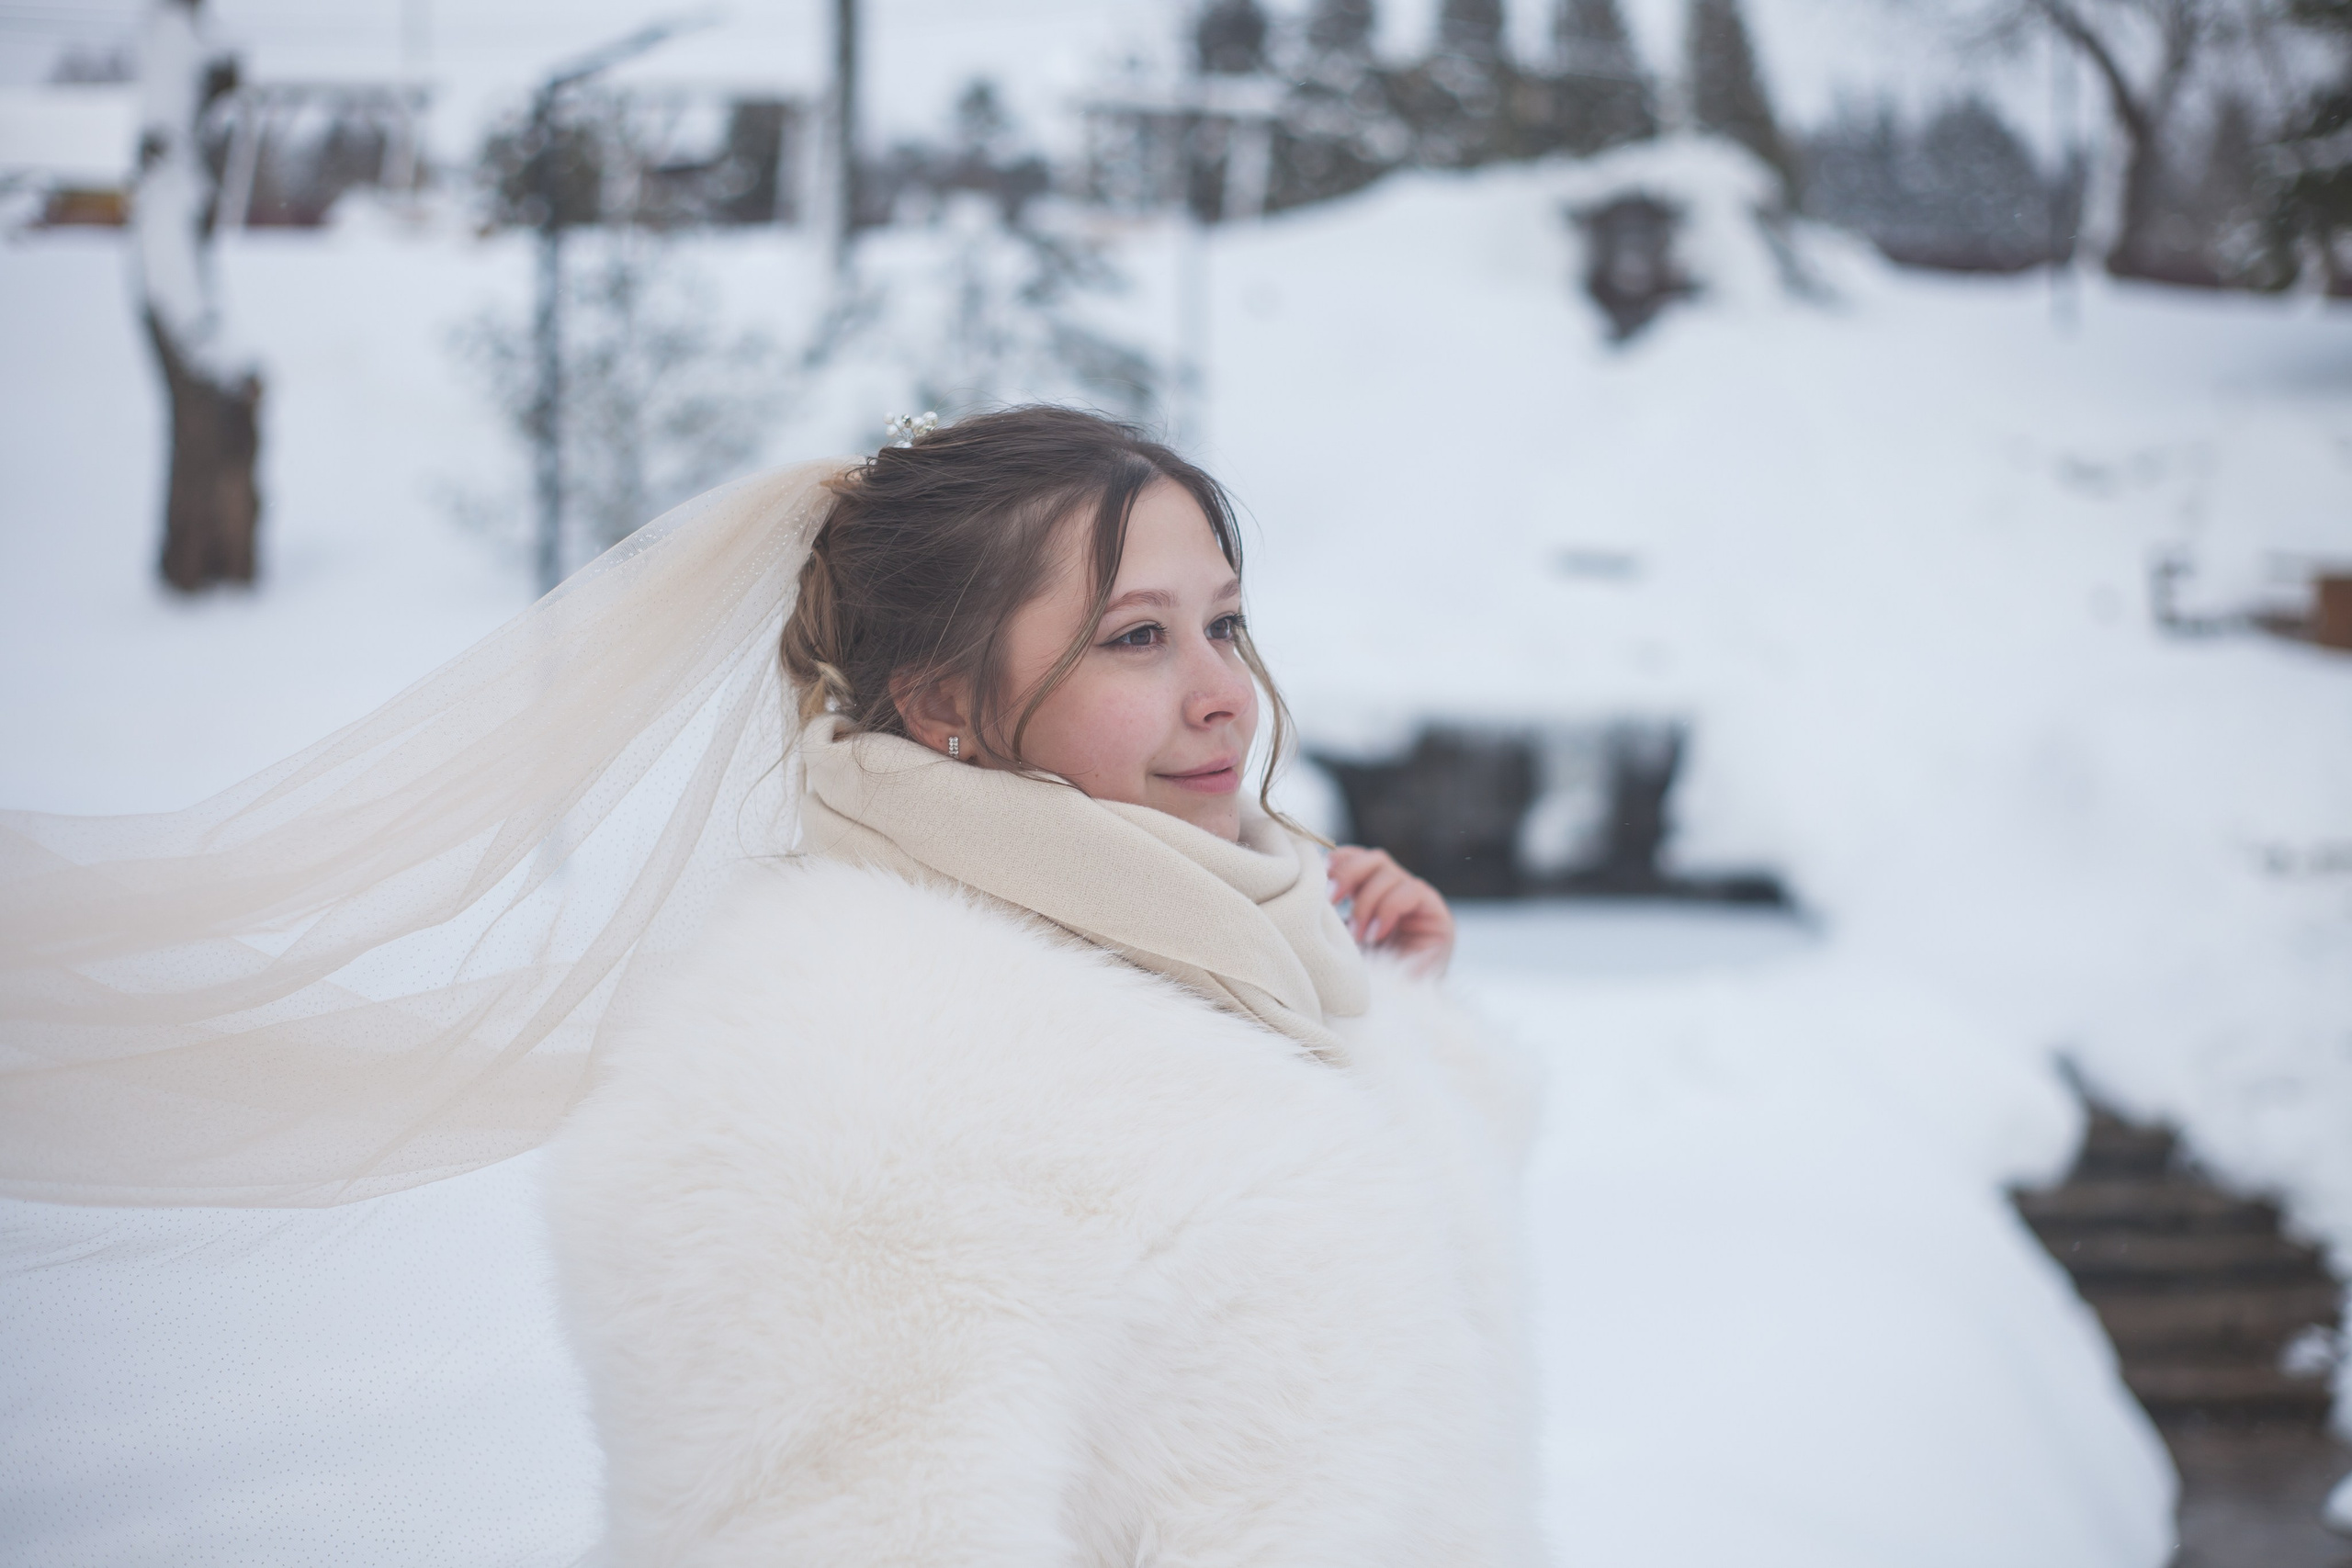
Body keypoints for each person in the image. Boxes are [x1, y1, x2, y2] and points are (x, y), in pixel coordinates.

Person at [0, 407, 1541, 1563]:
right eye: (1135, 636)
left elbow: (1327, 1332)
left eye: (1225, 620)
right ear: (941, 706)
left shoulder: (1224, 942)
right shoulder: (830, 1092)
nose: (1222, 691)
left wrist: (1398, 1022)